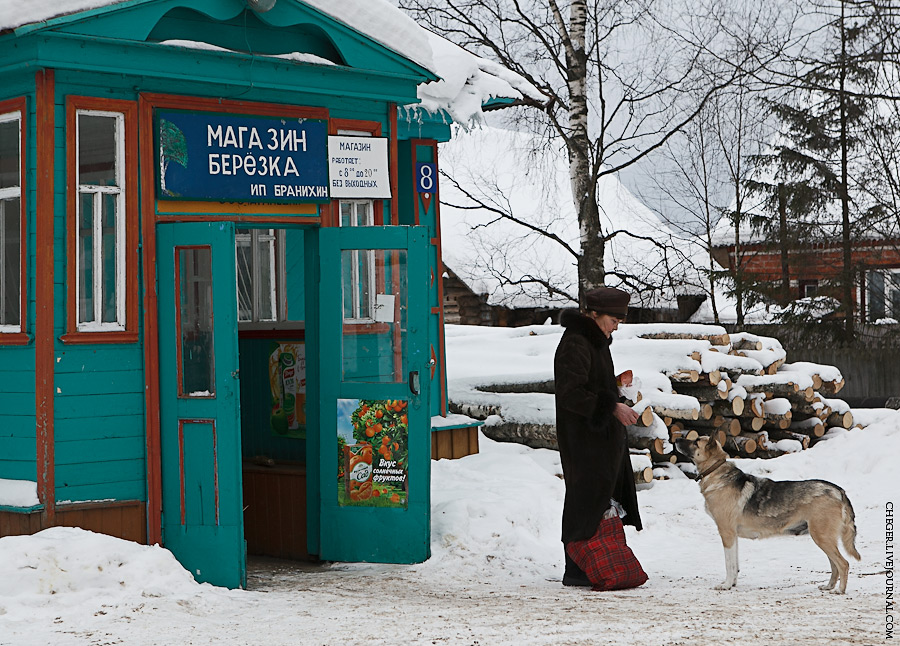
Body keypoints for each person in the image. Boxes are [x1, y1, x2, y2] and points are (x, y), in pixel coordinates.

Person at [554, 286, 643, 587]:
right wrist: (613, 407)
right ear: (594, 314)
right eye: (613, 319)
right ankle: (576, 568)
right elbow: (571, 394)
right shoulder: (576, 343)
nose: (616, 325)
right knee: (584, 501)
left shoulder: (595, 341)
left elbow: (592, 386)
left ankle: (582, 567)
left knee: (592, 500)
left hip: (598, 438)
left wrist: (617, 391)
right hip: (583, 440)